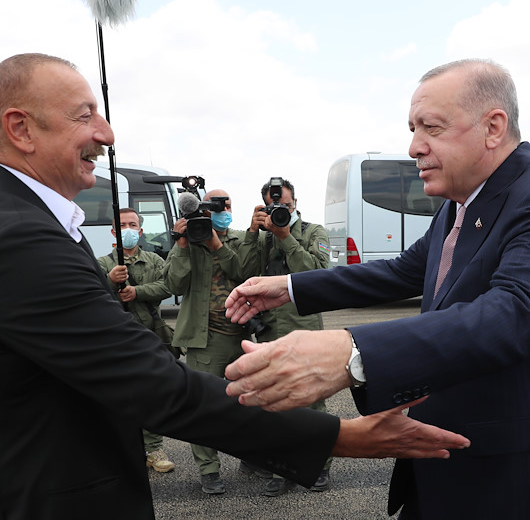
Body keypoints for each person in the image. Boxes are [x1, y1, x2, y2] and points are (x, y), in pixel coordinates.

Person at [0, 53, 470, 520]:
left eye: (431, 128)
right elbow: (156, 381)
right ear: (20, 129)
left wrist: (289, 283)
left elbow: (395, 273)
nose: (106, 133)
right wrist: (340, 435)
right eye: (86, 115)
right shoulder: (20, 234)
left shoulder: (40, 221)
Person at [224, 58, 530, 519]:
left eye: (431, 127)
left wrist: (351, 354)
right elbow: (406, 270)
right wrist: (290, 286)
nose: (413, 147)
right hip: (438, 456)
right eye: (412, 128)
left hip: (501, 475)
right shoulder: (461, 201)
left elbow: (514, 312)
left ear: (493, 127)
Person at [237, 178, 333, 496]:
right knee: (275, 401)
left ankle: (318, 466)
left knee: (313, 401)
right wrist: (253, 233)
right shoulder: (262, 236)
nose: (280, 211)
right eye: (273, 207)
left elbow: (316, 275)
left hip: (303, 326)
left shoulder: (314, 232)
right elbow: (243, 272)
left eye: (286, 206)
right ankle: (282, 468)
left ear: (295, 204)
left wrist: (287, 237)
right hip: (269, 331)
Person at [164, 189, 251, 493]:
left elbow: (245, 273)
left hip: (240, 335)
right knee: (202, 406)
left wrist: (216, 244)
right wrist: (182, 244)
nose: (221, 209)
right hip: (203, 338)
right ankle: (208, 469)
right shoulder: (190, 241)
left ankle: (251, 457)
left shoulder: (241, 240)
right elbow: (173, 284)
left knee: (247, 404)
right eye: (214, 205)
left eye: (226, 204)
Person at [98, 207, 175, 474]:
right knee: (118, 395)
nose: (128, 230)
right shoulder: (102, 264)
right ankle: (123, 449)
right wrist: (109, 282)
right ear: (113, 231)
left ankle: (153, 449)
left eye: (133, 225)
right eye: (122, 225)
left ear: (140, 231)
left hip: (150, 336)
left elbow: (169, 286)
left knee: (151, 394)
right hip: (116, 341)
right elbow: (89, 294)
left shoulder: (154, 259)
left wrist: (136, 291)